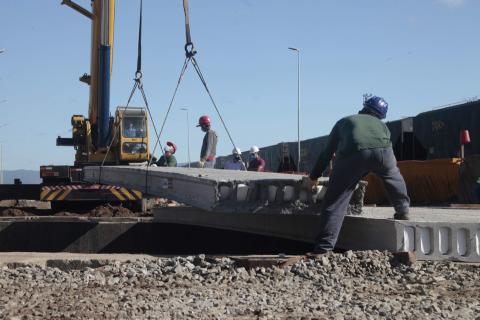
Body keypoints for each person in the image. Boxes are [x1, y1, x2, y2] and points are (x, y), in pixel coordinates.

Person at [305, 95, 410, 254]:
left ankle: (323, 249)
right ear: (381, 116)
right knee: (393, 176)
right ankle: (403, 210)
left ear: (363, 108)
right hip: (385, 153)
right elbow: (374, 155)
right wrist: (357, 176)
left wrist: (314, 176)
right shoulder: (383, 127)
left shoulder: (345, 121)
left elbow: (327, 153)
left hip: (354, 153)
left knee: (335, 200)